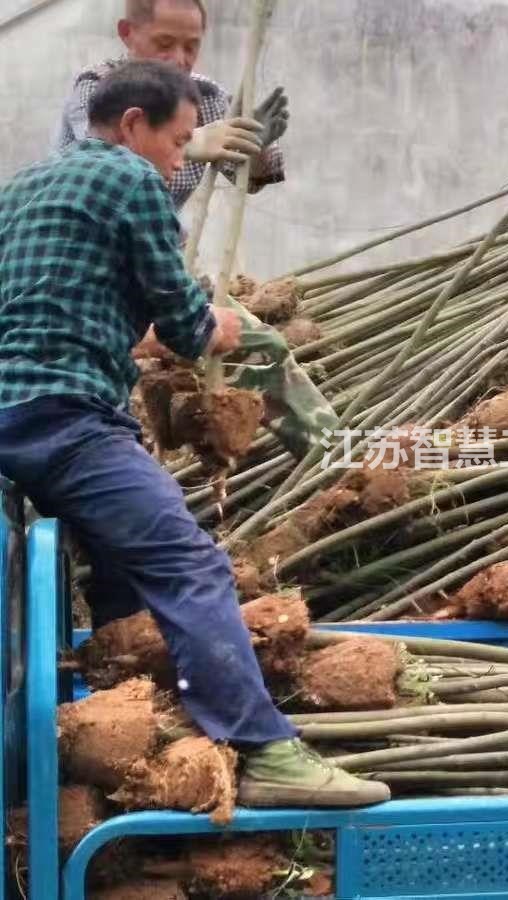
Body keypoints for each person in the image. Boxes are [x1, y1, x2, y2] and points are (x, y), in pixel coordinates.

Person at [0, 59, 388, 809]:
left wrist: (126, 337)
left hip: (9, 417)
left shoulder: (17, 191)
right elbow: (183, 319)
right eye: (178, 142)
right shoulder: (127, 178)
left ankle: (130, 706)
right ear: (133, 125)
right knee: (189, 565)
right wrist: (225, 328)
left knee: (117, 569)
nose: (184, 159)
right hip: (70, 421)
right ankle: (265, 748)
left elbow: (60, 304)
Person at [55, 0, 288, 210]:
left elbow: (250, 180)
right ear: (127, 33)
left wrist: (255, 148)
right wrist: (190, 142)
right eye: (164, 44)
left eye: (190, 47)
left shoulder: (206, 96)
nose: (178, 59)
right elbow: (102, 156)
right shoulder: (96, 85)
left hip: (156, 238)